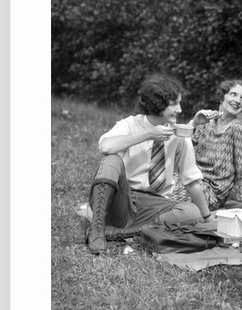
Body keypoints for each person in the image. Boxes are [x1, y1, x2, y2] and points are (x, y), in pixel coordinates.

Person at [86, 73, 213, 255]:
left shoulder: (180, 135)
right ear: (158, 104)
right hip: (123, 200)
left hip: (155, 205)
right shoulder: (131, 125)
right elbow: (106, 146)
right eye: (174, 104)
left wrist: (207, 217)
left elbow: (191, 181)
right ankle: (97, 230)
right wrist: (149, 134)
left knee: (191, 212)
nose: (180, 109)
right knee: (111, 160)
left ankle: (120, 234)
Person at [186, 79, 242, 211]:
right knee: (171, 183)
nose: (238, 100)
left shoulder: (237, 128)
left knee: (181, 192)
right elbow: (184, 154)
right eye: (233, 94)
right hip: (193, 181)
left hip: (211, 192)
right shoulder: (205, 122)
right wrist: (193, 124)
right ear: (221, 96)